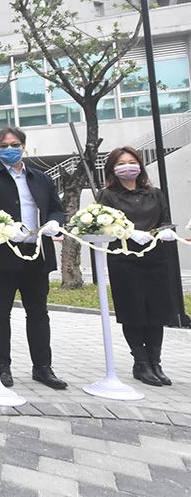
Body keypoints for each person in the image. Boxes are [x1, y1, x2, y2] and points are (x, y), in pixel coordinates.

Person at [0, 126, 67, 390]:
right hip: (3, 254)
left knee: (38, 312)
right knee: (0, 313)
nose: (9, 149)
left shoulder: (41, 178)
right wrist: (1, 228)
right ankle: (2, 366)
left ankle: (43, 367)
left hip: (37, 253)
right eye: (4, 145)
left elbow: (57, 210)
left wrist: (54, 224)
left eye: (14, 144)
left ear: (23, 146)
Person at [96, 147, 177, 386]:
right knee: (133, 312)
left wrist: (164, 233)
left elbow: (164, 219)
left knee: (156, 312)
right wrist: (131, 233)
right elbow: (104, 226)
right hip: (125, 259)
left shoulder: (155, 194)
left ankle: (155, 361)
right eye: (121, 163)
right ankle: (140, 362)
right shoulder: (107, 196)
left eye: (132, 162)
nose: (128, 166)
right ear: (113, 168)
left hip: (155, 257)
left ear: (140, 165)